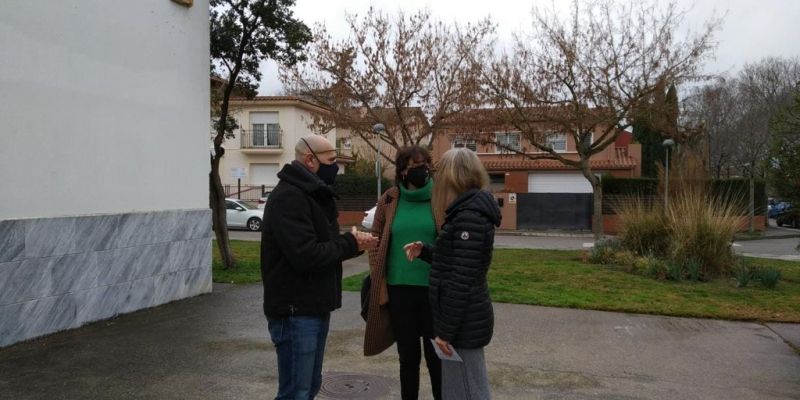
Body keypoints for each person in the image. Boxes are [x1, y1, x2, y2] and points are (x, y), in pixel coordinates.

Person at [261, 134, 378, 400]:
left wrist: (352, 242)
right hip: (295, 312)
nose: (335, 167)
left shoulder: (312, 195)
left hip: (312, 307)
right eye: (331, 160)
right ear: (310, 160)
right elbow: (306, 254)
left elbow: (323, 246)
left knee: (309, 386)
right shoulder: (289, 197)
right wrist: (350, 243)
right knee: (296, 392)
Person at [404, 147, 501, 400]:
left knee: (468, 390)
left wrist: (445, 332)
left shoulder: (469, 216)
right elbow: (457, 259)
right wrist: (426, 251)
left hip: (463, 325)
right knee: (460, 389)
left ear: (453, 176)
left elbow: (461, 281)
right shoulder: (466, 211)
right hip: (463, 321)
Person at [363, 146, 442, 400]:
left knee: (437, 357)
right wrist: (380, 279)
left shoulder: (441, 197)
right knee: (407, 357)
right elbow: (375, 238)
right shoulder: (389, 199)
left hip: (433, 291)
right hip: (399, 290)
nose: (422, 170)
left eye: (425, 164)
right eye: (415, 166)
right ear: (403, 171)